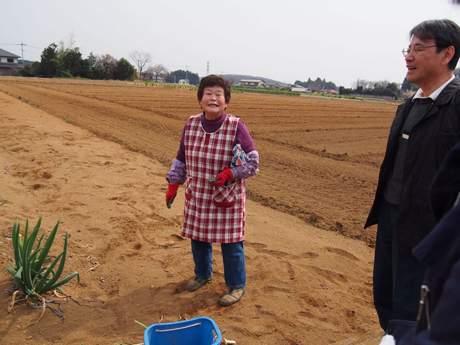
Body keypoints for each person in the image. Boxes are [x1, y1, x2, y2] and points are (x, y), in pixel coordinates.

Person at [364, 19, 460, 331]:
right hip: (392, 214)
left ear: (447, 54)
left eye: (419, 48)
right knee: (386, 295)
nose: (409, 56)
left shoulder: (456, 104)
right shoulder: (408, 107)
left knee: (414, 305)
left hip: (429, 225)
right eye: (409, 48)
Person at [165, 75, 259, 306]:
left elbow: (252, 163)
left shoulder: (236, 126)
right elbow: (181, 159)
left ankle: (236, 286)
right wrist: (173, 184)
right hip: (198, 195)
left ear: (226, 102)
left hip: (226, 197)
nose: (213, 98)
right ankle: (203, 274)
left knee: (231, 244)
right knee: (198, 240)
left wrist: (230, 173)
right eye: (208, 93)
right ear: (200, 100)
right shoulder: (191, 124)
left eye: (219, 94)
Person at [380, 140, 460, 344]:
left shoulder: (453, 109)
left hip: (419, 219)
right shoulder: (407, 109)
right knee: (385, 289)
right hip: (392, 208)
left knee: (408, 299)